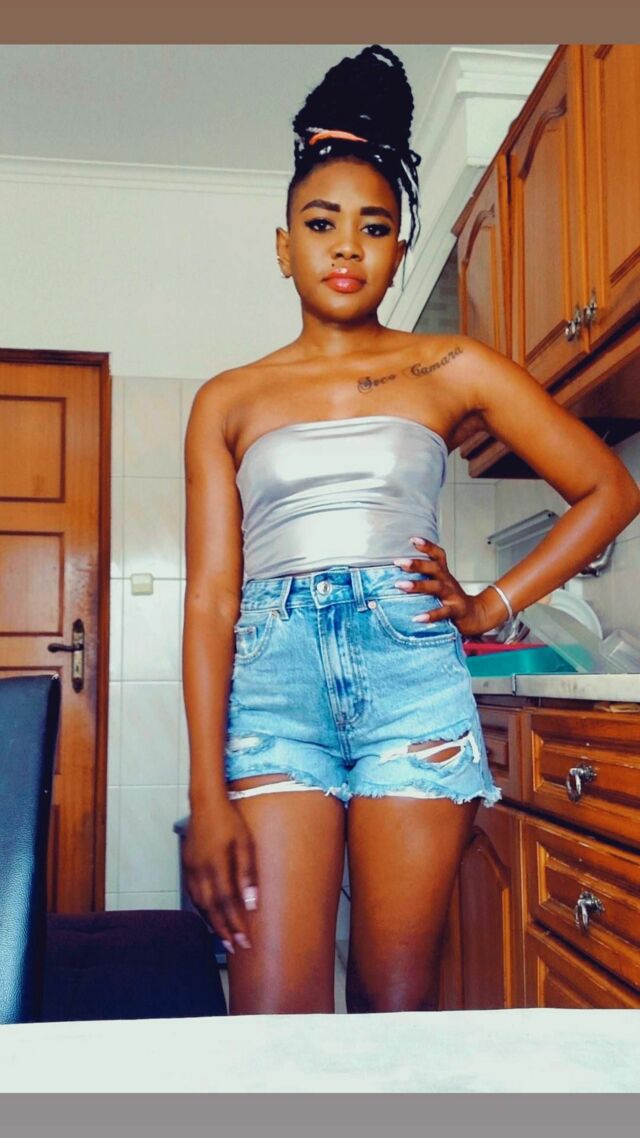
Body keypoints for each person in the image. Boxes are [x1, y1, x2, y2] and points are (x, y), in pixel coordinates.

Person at [181, 45, 640, 1016]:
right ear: (284, 246)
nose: (346, 246)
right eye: (321, 223)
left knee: (394, 1009)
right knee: (273, 1021)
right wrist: (206, 791)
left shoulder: (450, 366)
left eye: (374, 226)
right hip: (273, 694)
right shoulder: (227, 399)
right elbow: (213, 598)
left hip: (410, 690)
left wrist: (490, 603)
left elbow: (607, 488)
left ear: (396, 250)